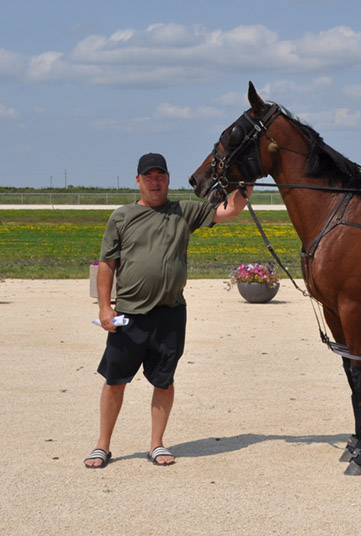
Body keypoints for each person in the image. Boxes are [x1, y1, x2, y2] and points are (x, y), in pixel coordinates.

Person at [84, 152, 252, 468]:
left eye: (160, 175)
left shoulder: (182, 212)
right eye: (148, 176)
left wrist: (248, 180)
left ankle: (157, 444)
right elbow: (107, 265)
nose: (155, 181)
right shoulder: (121, 217)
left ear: (168, 179)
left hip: (170, 314)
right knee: (114, 380)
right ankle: (102, 446)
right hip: (129, 314)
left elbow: (230, 209)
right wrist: (105, 308)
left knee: (164, 381)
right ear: (138, 181)